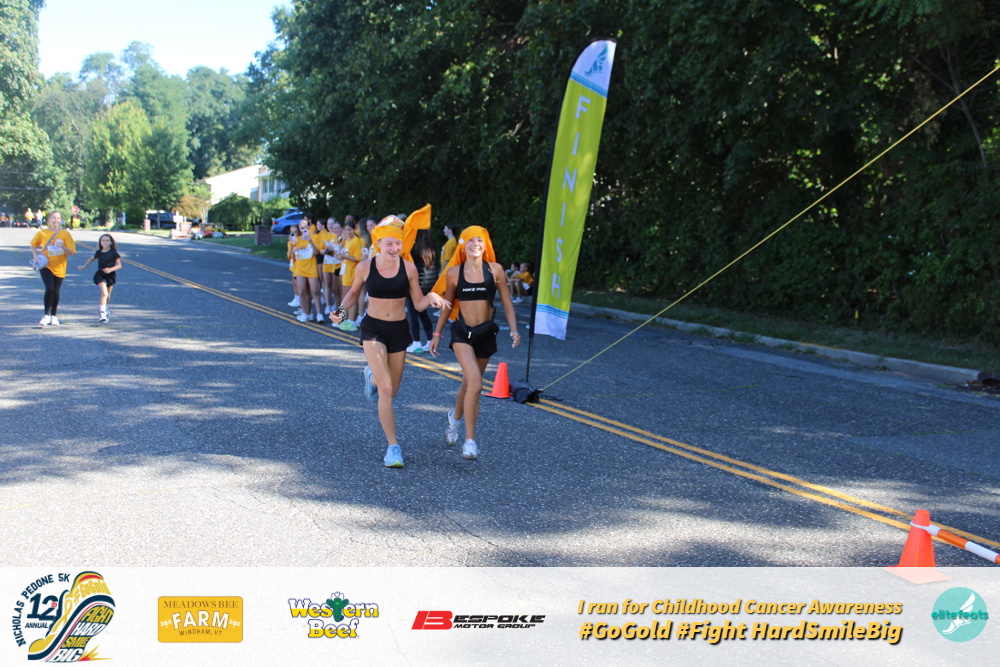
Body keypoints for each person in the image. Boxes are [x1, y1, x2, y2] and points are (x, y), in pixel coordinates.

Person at [330, 215, 449, 468]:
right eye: (389, 243)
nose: (394, 248)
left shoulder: (409, 268)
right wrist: (340, 313)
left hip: (398, 330)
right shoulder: (365, 267)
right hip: (373, 328)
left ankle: (371, 376)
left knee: (392, 390)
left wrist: (431, 297)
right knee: (385, 389)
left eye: (398, 243)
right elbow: (353, 292)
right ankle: (393, 447)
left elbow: (418, 303)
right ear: (379, 243)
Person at [429, 226, 520, 461]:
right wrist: (437, 334)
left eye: (480, 240)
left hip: (485, 333)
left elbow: (507, 303)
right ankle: (470, 441)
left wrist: (514, 330)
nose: (475, 244)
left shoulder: (495, 270)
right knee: (476, 384)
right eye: (470, 240)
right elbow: (447, 306)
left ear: (486, 244)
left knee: (468, 384)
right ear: (463, 245)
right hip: (462, 333)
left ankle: (454, 418)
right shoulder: (454, 272)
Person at [30, 211, 77, 326]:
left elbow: (71, 251)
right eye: (53, 218)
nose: (56, 220)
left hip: (60, 266)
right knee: (49, 289)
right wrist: (35, 256)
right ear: (49, 220)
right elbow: (33, 244)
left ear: (60, 220)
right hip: (46, 265)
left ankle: (54, 316)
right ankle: (46, 315)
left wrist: (63, 247)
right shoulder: (43, 233)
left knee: (56, 291)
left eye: (58, 218)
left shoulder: (65, 234)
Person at [77, 233, 122, 322]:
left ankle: (106, 309)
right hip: (101, 275)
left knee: (108, 295)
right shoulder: (99, 252)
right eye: (103, 240)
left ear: (111, 242)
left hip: (110, 275)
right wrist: (83, 266)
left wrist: (110, 269)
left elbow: (119, 265)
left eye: (107, 241)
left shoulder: (113, 253)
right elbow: (91, 259)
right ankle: (102, 314)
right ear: (100, 242)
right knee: (104, 294)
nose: (105, 242)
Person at [405, 227, 437, 353]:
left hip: (416, 285)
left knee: (413, 314)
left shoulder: (414, 249)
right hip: (428, 284)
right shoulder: (431, 247)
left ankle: (416, 342)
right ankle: (429, 340)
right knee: (423, 314)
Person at [334, 219, 364, 330]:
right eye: (346, 230)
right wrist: (341, 256)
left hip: (352, 271)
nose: (348, 232)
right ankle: (345, 319)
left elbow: (358, 258)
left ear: (354, 230)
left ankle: (352, 320)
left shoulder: (356, 241)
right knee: (345, 295)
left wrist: (345, 257)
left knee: (351, 296)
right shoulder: (347, 241)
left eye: (350, 230)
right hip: (345, 270)